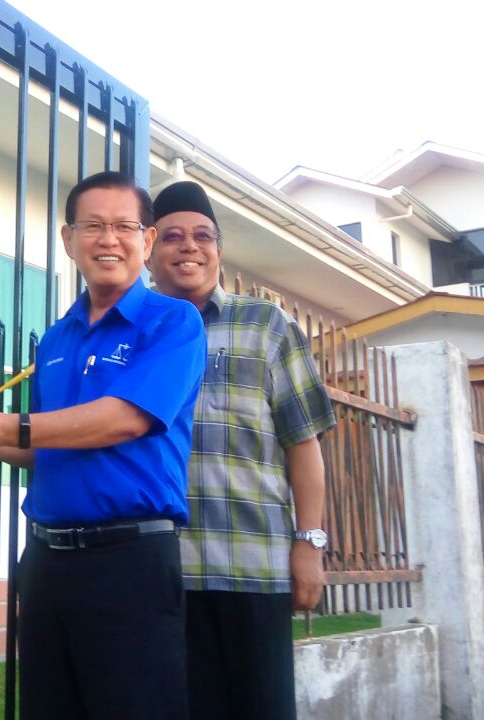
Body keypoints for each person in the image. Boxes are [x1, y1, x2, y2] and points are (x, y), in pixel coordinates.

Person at [0, 171, 206, 720]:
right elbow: (46, 443)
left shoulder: (174, 321)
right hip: (45, 561)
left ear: (148, 240)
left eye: (123, 226)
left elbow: (126, 420)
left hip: (130, 559)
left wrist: (0, 428)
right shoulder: (57, 338)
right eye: (93, 226)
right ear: (68, 239)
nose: (108, 239)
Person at [145, 181, 336, 720]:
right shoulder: (133, 334)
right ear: (150, 249)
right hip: (161, 570)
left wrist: (310, 544)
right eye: (173, 236)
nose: (189, 246)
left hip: (253, 566)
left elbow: (304, 445)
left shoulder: (267, 327)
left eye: (202, 236)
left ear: (219, 251)